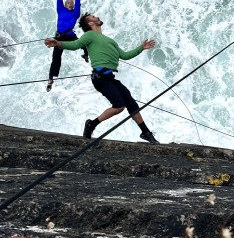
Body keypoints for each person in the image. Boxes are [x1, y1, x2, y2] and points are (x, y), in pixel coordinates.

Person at [44, 13, 160, 144]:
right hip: (100, 78)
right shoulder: (89, 35)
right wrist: (58, 43)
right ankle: (91, 124)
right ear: (90, 24)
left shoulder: (110, 41)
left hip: (110, 78)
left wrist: (141, 47)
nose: (96, 17)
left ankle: (145, 133)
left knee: (131, 103)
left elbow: (125, 55)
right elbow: (76, 44)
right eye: (93, 17)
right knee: (119, 106)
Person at [46, 0, 89, 91]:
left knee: (83, 44)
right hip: (59, 36)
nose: (70, 3)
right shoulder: (60, 9)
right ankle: (50, 79)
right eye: (68, 2)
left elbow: (78, 1)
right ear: (65, 5)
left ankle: (86, 55)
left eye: (72, 3)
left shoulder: (75, 13)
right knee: (56, 57)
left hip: (69, 35)